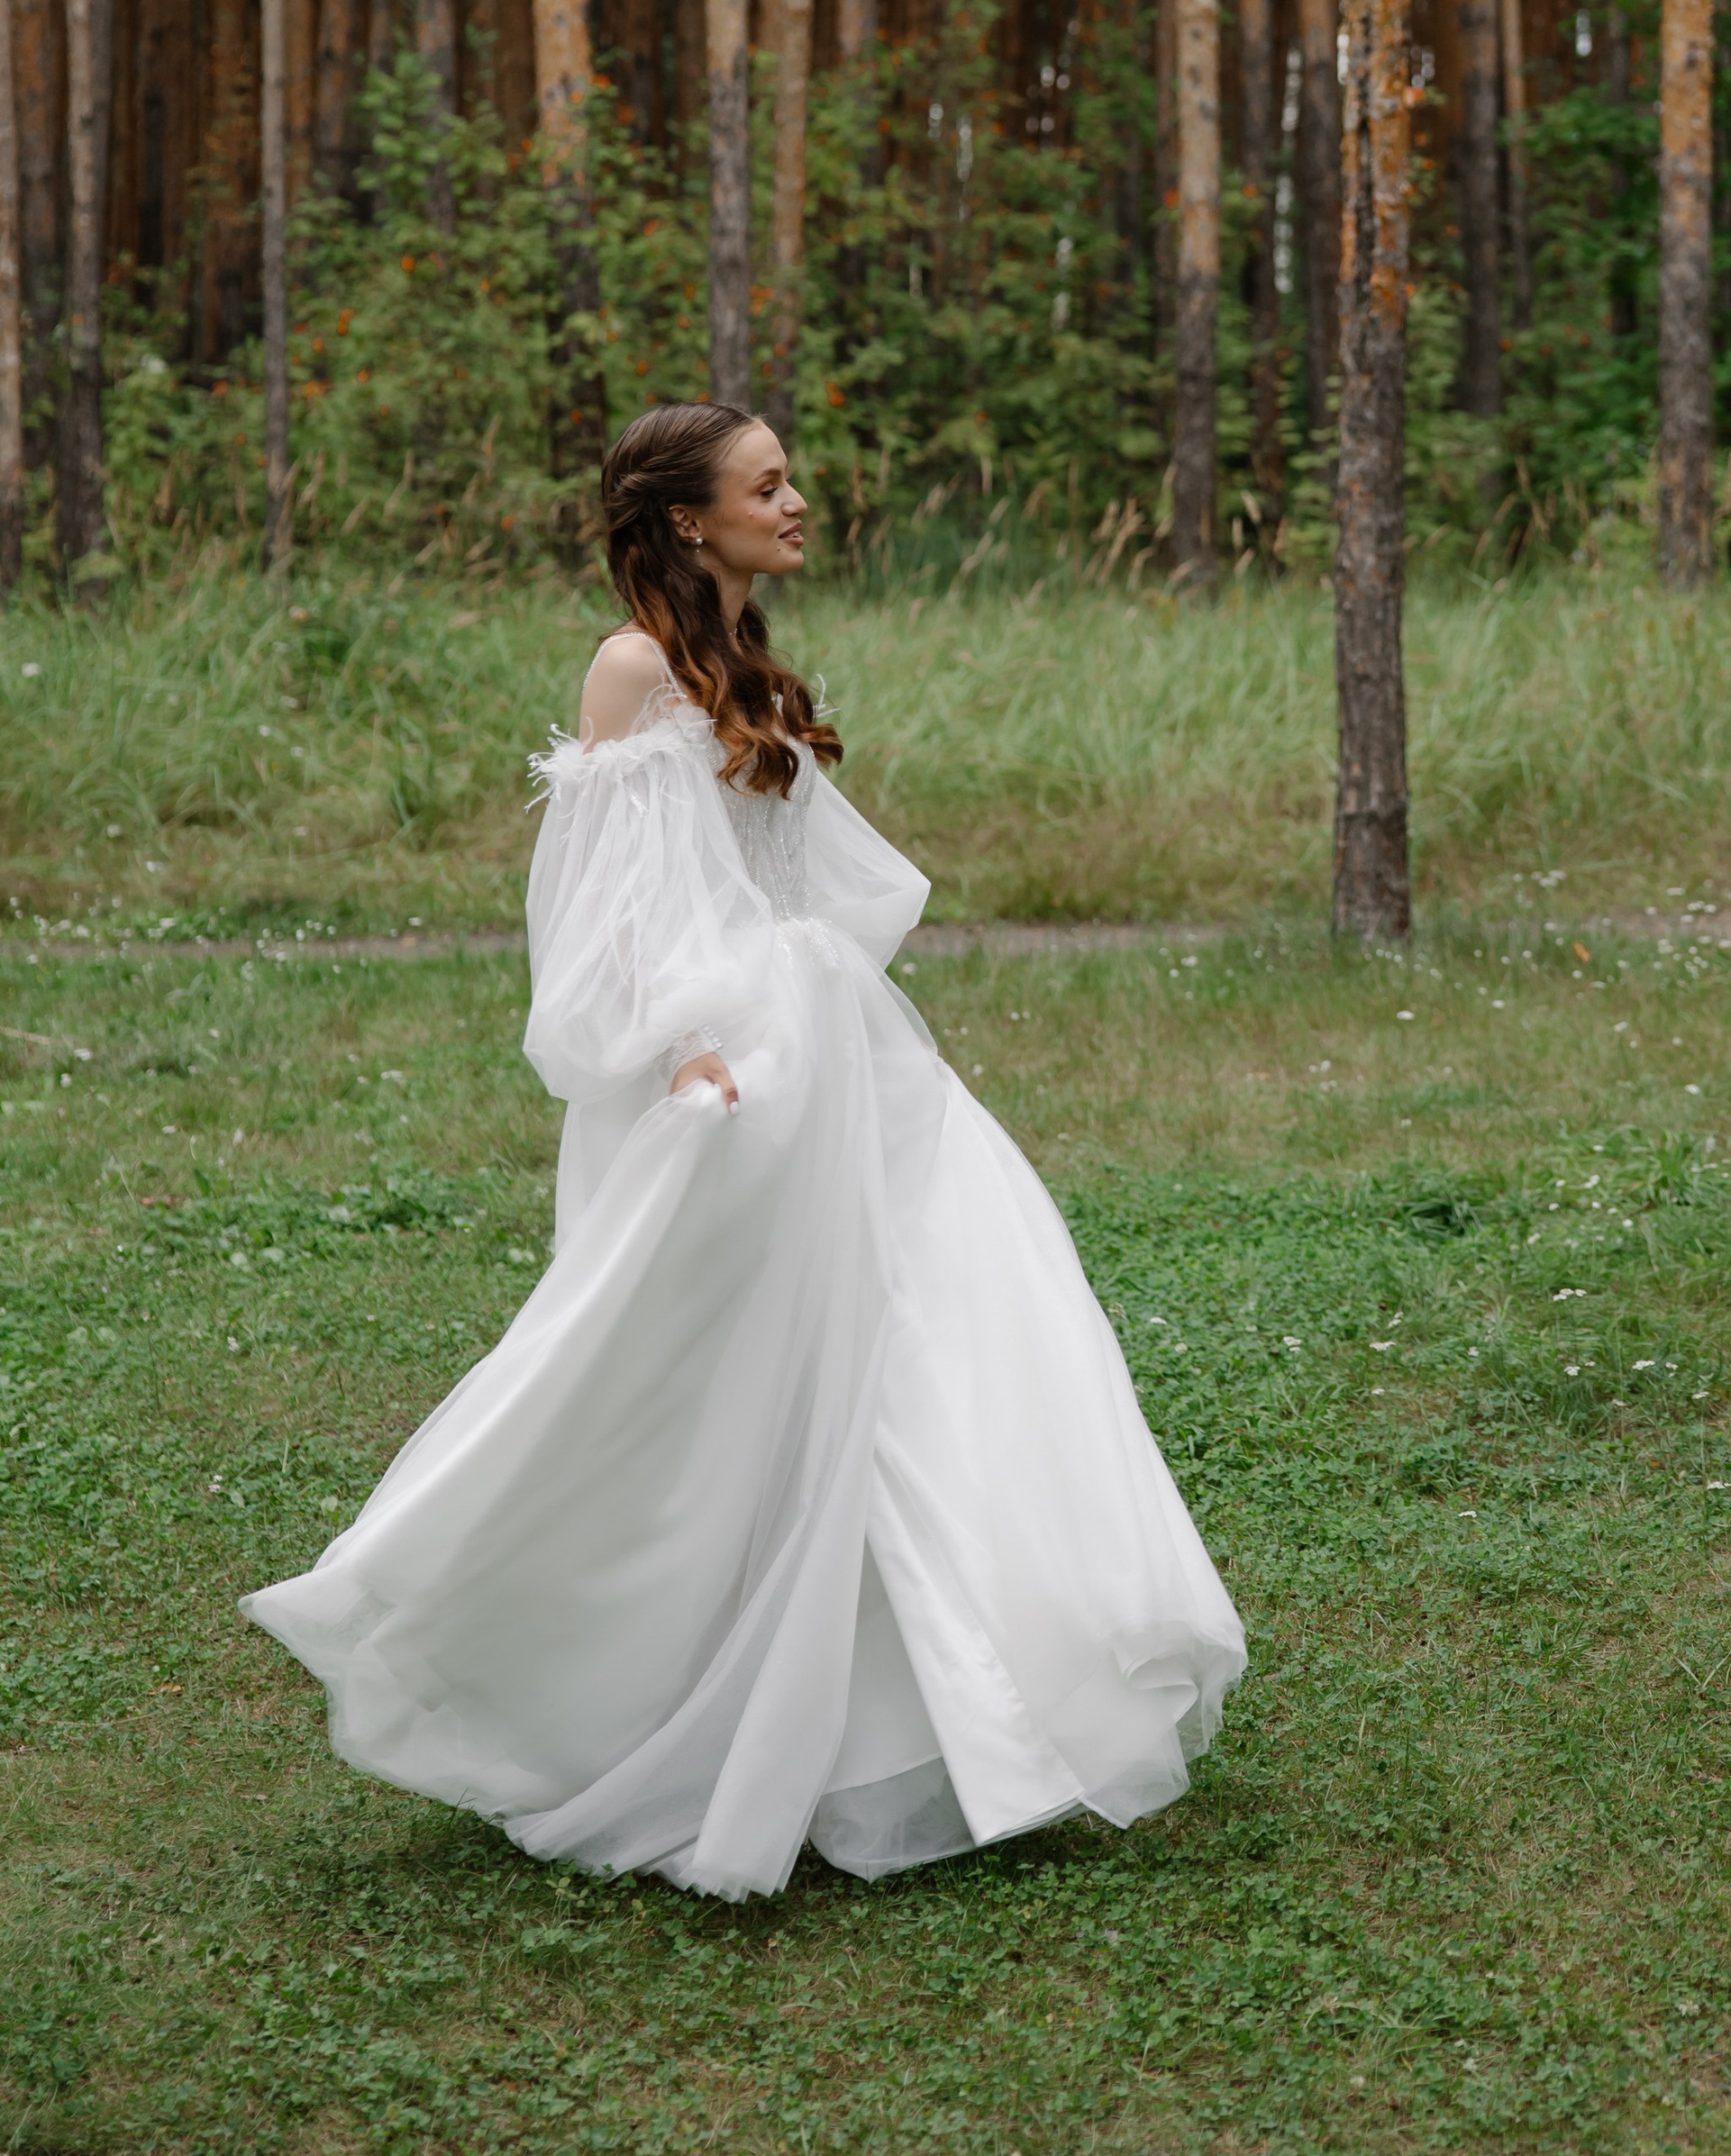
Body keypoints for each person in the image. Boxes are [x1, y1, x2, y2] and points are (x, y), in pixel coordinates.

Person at [246, 401, 1244, 1897]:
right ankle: (599, 1678)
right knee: (718, 1383)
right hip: (726, 1064)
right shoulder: (633, 666)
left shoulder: (748, 656)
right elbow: (618, 894)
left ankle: (955, 1708)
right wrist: (685, 1052)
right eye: (765, 486)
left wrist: (826, 1012)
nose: (796, 502)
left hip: (842, 1051)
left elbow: (785, 868)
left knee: (934, 1336)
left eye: (788, 480)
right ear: (687, 518)